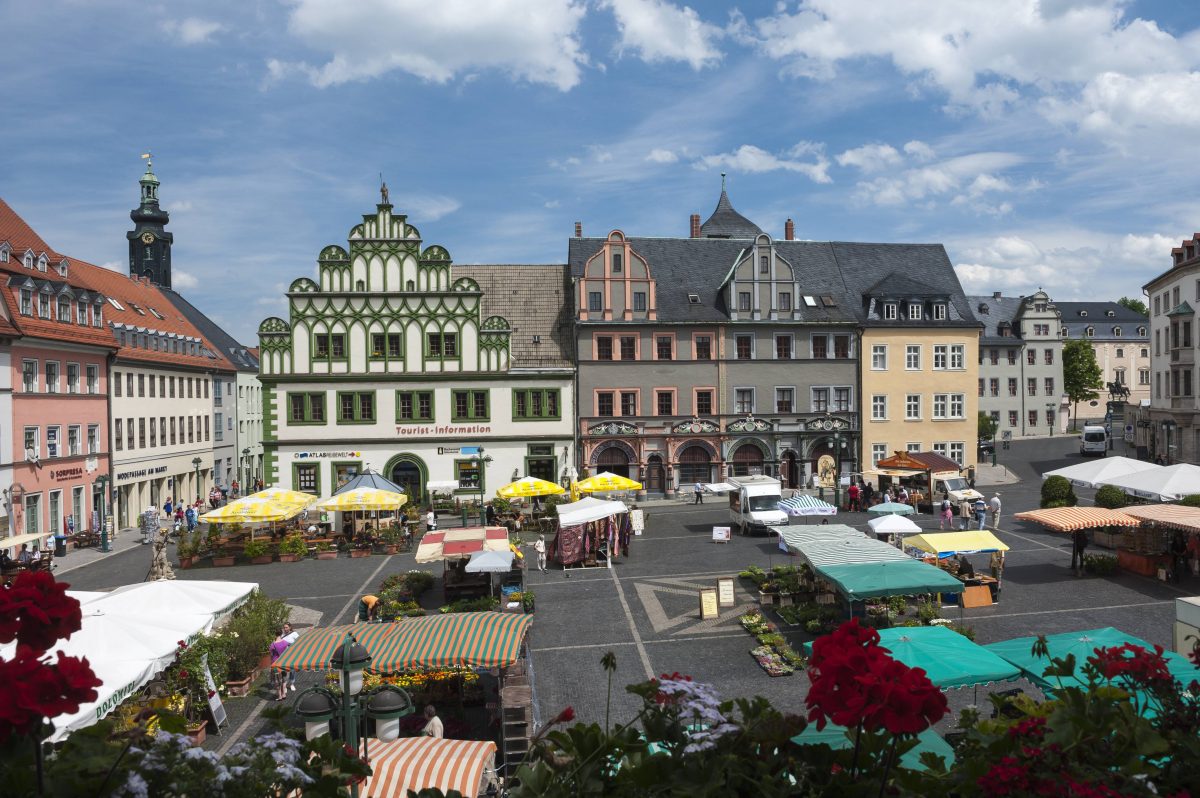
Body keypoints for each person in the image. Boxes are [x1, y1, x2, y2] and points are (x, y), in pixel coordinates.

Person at [269, 635, 291, 701]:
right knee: (284, 679)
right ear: (281, 634)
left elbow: (271, 654)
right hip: (284, 663)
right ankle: (284, 694)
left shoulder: (272, 645)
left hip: (276, 663)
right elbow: (288, 652)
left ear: (274, 635)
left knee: (277, 680)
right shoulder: (285, 642)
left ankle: (280, 696)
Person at [280, 623, 300, 692]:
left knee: (292, 670)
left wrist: (290, 644)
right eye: (284, 627)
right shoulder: (282, 635)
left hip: (292, 655)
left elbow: (299, 642)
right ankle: (284, 685)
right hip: (284, 655)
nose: (285, 629)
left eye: (286, 627)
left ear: (290, 627)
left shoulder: (294, 634)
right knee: (284, 670)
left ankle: (291, 683)